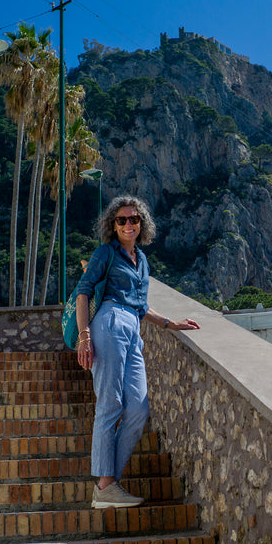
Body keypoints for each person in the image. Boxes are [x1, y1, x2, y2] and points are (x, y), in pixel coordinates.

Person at [74, 195, 200, 508]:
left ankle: (108, 485)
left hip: (133, 329)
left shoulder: (142, 261)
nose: (129, 224)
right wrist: (84, 336)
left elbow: (142, 307)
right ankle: (105, 484)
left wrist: (173, 324)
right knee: (111, 403)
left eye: (134, 219)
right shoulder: (105, 253)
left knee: (138, 410)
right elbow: (83, 292)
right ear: (112, 226)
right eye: (122, 220)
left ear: (142, 224)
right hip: (109, 322)